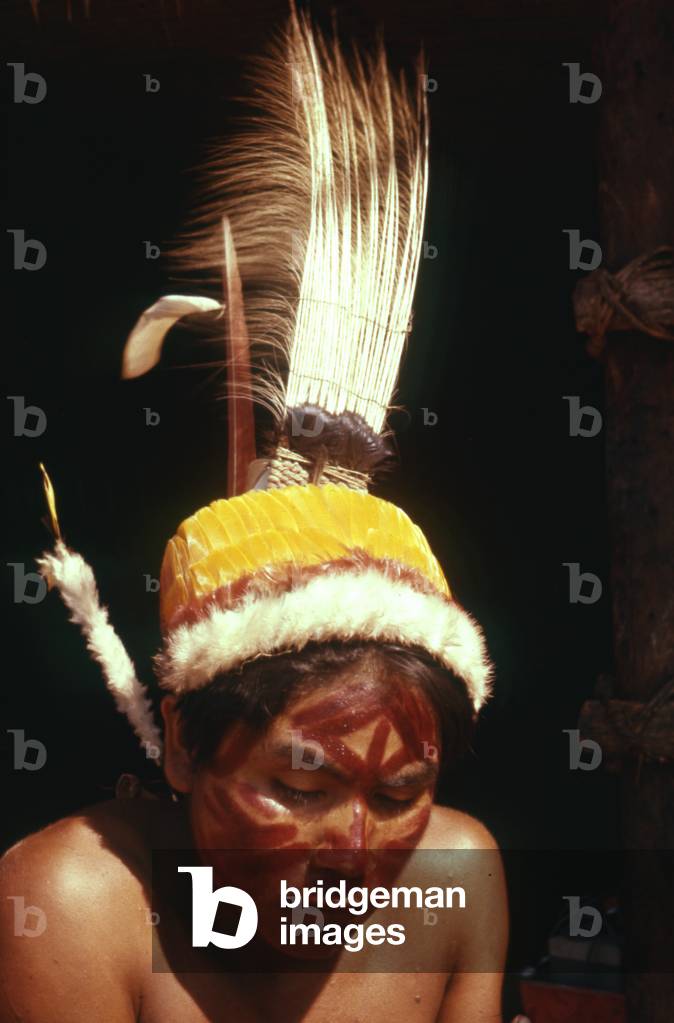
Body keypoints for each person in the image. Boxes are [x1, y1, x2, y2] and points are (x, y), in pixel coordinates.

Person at [1, 8, 523, 1020]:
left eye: (395, 791)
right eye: (300, 785)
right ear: (184, 748)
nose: (356, 853)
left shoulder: (453, 878)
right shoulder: (73, 906)